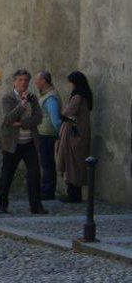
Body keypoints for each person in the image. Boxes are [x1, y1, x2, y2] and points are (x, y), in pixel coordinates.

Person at [0, 69, 47, 215]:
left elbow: (38, 118)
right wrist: (22, 104)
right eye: (20, 80)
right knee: (7, 174)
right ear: (14, 81)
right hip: (12, 143)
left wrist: (23, 123)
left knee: (35, 174)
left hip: (29, 142)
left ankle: (36, 206)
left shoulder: (33, 98)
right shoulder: (8, 98)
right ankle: (2, 204)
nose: (23, 83)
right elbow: (9, 118)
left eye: (25, 80)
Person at [56, 71, 93, 203]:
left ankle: (74, 195)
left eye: (71, 82)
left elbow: (67, 113)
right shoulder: (85, 96)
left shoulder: (77, 97)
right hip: (80, 133)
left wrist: (59, 113)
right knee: (76, 164)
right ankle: (73, 194)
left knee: (72, 164)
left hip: (75, 135)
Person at [35, 71, 63, 200]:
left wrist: (61, 133)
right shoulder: (45, 95)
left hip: (47, 133)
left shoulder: (50, 97)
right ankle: (46, 189)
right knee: (46, 162)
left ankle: (48, 191)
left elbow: (55, 119)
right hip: (44, 132)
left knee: (47, 163)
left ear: (44, 81)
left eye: (38, 80)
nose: (36, 82)